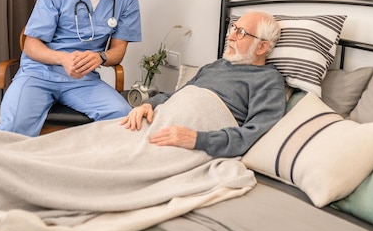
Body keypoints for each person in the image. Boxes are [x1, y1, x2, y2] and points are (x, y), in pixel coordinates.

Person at [0, 0, 141, 136]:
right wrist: (63, 59)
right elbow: (31, 44)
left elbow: (118, 50)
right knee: (12, 130)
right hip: (39, 74)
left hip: (82, 80)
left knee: (124, 120)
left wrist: (100, 57)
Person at [120, 10, 286, 158]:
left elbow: (255, 133)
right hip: (158, 121)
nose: (230, 36)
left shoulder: (268, 80)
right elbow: (177, 95)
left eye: (241, 32)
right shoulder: (214, 66)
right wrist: (147, 105)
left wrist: (198, 139)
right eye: (233, 28)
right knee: (105, 139)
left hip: (188, 142)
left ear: (262, 47)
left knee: (120, 160)